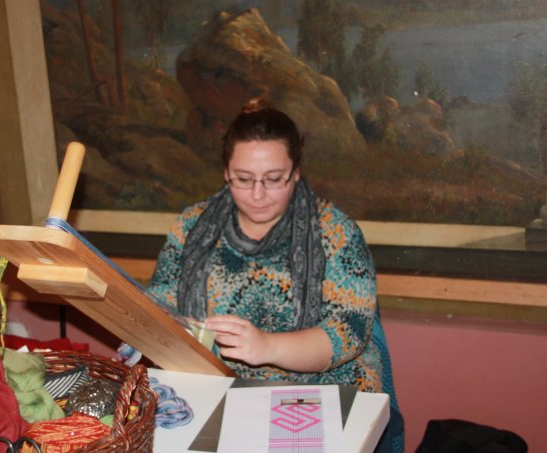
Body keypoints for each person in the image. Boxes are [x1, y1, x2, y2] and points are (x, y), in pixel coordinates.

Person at [147, 98, 404, 452]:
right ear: (226, 172)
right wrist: (147, 328)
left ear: (296, 171)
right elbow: (161, 298)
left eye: (273, 180)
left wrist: (266, 346)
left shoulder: (336, 233)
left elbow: (349, 331)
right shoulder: (192, 226)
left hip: (322, 391)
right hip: (212, 388)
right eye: (243, 179)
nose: (257, 195)